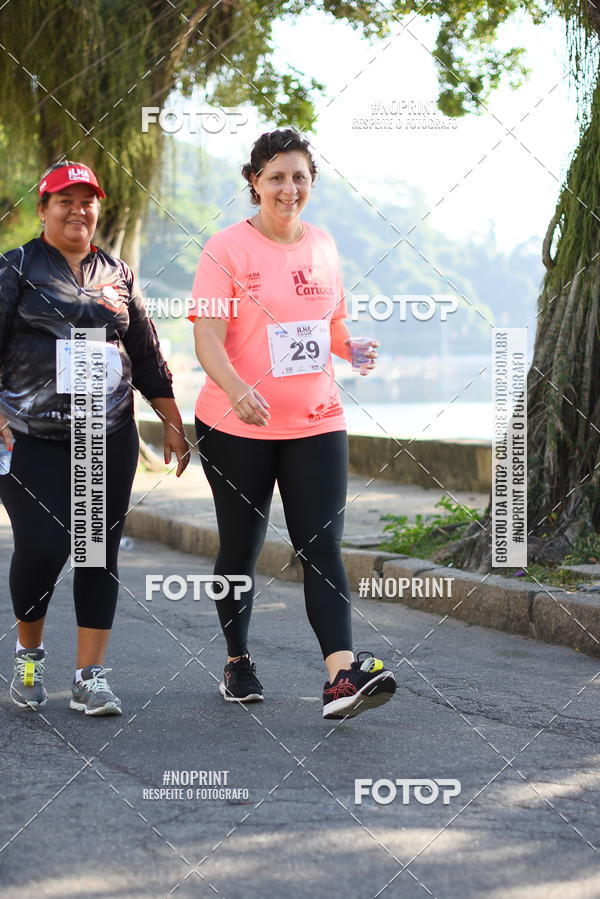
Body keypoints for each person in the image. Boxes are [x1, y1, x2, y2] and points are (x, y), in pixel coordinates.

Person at [190, 128, 396, 720]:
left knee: (322, 547)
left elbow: (330, 325)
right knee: (241, 545)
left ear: (312, 183)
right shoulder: (225, 249)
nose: (288, 188)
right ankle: (237, 659)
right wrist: (236, 388)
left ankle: (339, 677)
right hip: (236, 425)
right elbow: (206, 336)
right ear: (253, 182)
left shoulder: (325, 245)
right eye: (276, 176)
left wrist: (351, 350)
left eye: (299, 176)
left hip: (316, 421)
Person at [0, 160, 189, 716]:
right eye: (65, 200)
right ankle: (29, 655)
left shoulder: (118, 275)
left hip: (106, 433)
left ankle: (90, 676)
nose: (78, 210)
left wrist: (174, 422)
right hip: (29, 436)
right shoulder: (16, 268)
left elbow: (149, 357)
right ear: (43, 210)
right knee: (45, 543)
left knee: (96, 551)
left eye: (88, 201)